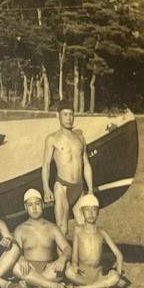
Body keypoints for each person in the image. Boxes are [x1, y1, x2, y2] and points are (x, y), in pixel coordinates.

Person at [42, 99, 94, 235]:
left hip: (79, 187)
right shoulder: (52, 139)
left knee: (85, 228)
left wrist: (90, 189)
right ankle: (62, 257)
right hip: (62, 187)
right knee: (62, 228)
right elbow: (46, 165)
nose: (69, 118)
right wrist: (46, 188)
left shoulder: (80, 138)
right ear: (57, 116)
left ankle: (81, 257)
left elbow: (86, 164)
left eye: (71, 114)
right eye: (65, 114)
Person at [12, 188, 71, 288]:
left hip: (48, 269)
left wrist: (62, 259)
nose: (34, 208)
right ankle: (51, 285)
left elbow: (67, 248)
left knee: (67, 266)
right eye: (30, 205)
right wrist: (21, 258)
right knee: (16, 268)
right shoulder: (20, 229)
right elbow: (16, 251)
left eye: (37, 204)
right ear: (25, 207)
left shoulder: (52, 227)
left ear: (43, 205)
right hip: (29, 268)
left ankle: (32, 282)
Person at [65, 194, 126, 288]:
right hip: (83, 274)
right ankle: (101, 285)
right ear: (81, 212)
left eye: (94, 210)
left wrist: (118, 273)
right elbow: (75, 257)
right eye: (87, 210)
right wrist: (74, 266)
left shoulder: (101, 232)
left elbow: (119, 255)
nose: (91, 213)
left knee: (115, 277)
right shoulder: (78, 230)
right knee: (68, 272)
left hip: (98, 274)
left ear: (98, 212)